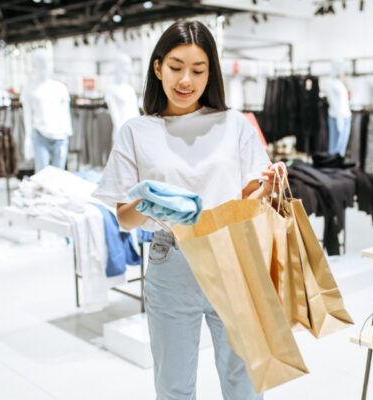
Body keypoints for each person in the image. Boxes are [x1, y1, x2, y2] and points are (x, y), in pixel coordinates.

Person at [92, 20, 285, 400]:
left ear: (210, 72)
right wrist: (150, 203)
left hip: (234, 256)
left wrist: (269, 187)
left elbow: (250, 200)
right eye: (177, 66)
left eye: (198, 70)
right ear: (158, 67)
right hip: (171, 260)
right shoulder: (137, 131)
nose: (186, 80)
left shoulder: (235, 125)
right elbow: (125, 218)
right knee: (174, 386)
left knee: (244, 382)